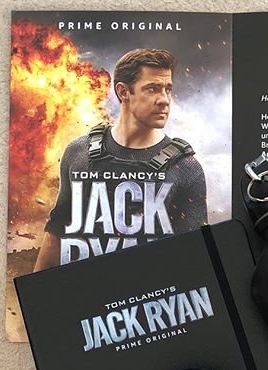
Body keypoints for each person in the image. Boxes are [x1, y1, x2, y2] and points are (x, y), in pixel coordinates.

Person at [34, 48, 207, 271]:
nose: (164, 100)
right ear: (123, 92)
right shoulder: (79, 153)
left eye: (168, 89)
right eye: (152, 89)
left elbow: (196, 262)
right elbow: (57, 233)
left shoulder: (185, 167)